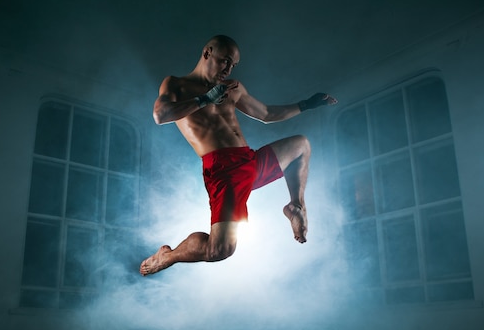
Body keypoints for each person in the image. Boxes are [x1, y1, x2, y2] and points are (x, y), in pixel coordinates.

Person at [140, 35, 337, 276]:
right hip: (223, 171)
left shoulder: (233, 87)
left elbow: (265, 113)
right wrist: (205, 99)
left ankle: (296, 206)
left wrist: (307, 104)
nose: (228, 69)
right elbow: (161, 115)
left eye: (233, 65)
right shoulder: (177, 85)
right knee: (219, 250)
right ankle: (167, 256)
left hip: (249, 161)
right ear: (207, 53)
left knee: (302, 145)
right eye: (225, 61)